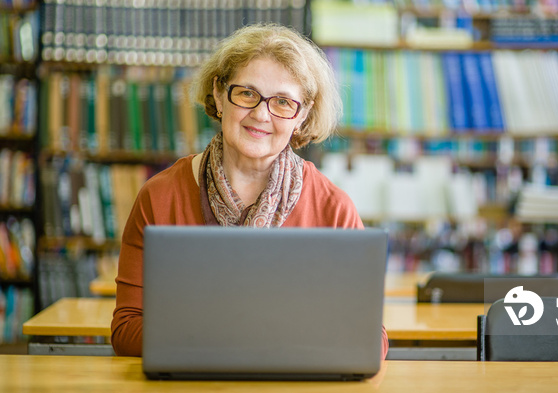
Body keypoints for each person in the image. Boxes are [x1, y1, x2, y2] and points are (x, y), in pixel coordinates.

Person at [111, 23, 389, 358]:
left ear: (302, 115)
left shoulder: (333, 208)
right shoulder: (159, 197)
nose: (260, 114)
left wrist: (214, 333)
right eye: (247, 94)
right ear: (218, 92)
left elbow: (371, 340)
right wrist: (260, 337)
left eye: (283, 102)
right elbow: (126, 329)